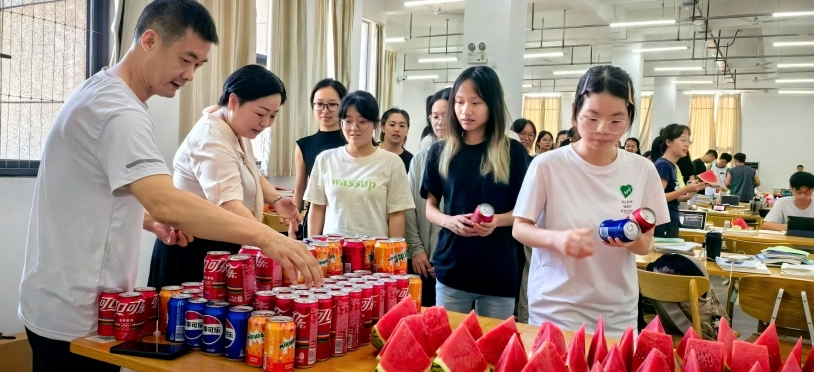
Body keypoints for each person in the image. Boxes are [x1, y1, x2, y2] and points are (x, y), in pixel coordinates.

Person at [18, 2, 321, 370]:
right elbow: (166, 200)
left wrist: (146, 218)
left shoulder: (104, 91)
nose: (190, 75)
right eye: (186, 59)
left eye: (198, 65)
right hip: (74, 308)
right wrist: (269, 238)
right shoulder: (119, 111)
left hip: (66, 296)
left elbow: (95, 188)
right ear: (149, 40)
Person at [512, 65, 670, 337]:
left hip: (616, 311)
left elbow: (646, 245)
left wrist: (633, 240)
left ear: (629, 118)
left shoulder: (643, 170)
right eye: (591, 118)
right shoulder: (547, 165)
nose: (602, 130)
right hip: (556, 306)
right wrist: (558, 240)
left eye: (616, 121)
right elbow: (520, 228)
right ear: (575, 113)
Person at [149, 65, 298, 289]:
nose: (266, 123)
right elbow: (229, 206)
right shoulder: (211, 139)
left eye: (273, 116)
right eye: (260, 113)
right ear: (234, 101)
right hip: (197, 249)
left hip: (226, 242)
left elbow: (252, 173)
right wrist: (273, 240)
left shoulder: (236, 129)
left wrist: (275, 199)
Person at [421, 66, 529, 319]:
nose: (465, 111)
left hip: (498, 270)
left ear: (492, 105)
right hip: (452, 268)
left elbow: (524, 211)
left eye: (475, 102)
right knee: (448, 347)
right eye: (459, 102)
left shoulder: (512, 151)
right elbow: (430, 207)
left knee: (494, 353)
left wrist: (496, 222)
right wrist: (449, 221)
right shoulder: (440, 152)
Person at [305, 91, 415, 237]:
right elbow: (317, 208)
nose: (354, 128)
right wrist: (314, 248)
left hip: (374, 251)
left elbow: (396, 214)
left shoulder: (392, 162)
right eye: (348, 121)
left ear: (375, 124)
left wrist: (391, 255)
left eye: (362, 122)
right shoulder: (325, 159)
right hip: (332, 252)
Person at [405, 87, 451, 307]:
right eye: (435, 116)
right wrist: (416, 250)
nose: (439, 122)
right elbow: (409, 207)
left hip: (453, 261)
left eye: (445, 115)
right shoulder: (421, 159)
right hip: (422, 260)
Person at [290, 78, 349, 238]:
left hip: (345, 219)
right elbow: (300, 188)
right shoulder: (304, 145)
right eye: (319, 104)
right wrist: (292, 224)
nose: (325, 110)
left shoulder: (351, 142)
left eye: (332, 104)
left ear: (343, 106)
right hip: (314, 220)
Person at [654, 124, 707, 238]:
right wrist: (685, 189)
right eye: (683, 140)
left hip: (671, 218)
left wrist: (692, 191)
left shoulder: (672, 166)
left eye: (688, 140)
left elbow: (675, 197)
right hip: (663, 221)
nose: (687, 144)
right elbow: (658, 197)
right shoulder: (664, 165)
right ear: (669, 142)